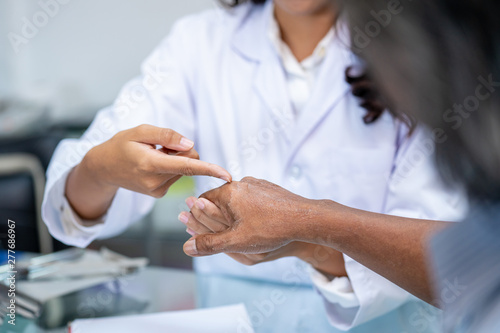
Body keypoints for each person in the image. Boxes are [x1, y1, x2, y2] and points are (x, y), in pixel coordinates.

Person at [42, 0, 465, 331]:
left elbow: (453, 255)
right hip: (229, 313)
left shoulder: (424, 50)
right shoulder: (199, 42)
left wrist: (307, 234)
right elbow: (75, 204)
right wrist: (101, 169)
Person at [182, 0, 500, 332]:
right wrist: (121, 165)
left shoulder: (426, 43)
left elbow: (454, 254)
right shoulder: (201, 39)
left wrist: (306, 225)